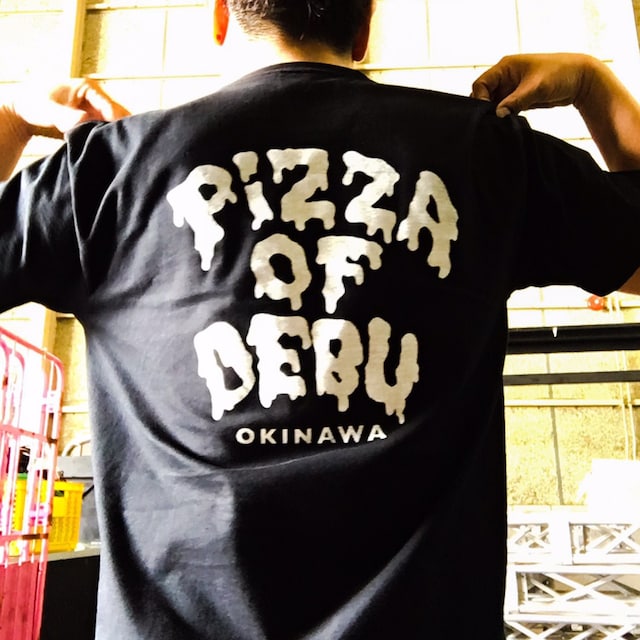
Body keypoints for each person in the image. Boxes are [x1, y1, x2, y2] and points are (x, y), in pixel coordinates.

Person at [2, 1, 640, 636]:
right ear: (364, 28)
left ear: (221, 17)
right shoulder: (487, 153)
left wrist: (13, 116)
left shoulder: (109, 171)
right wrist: (593, 85)